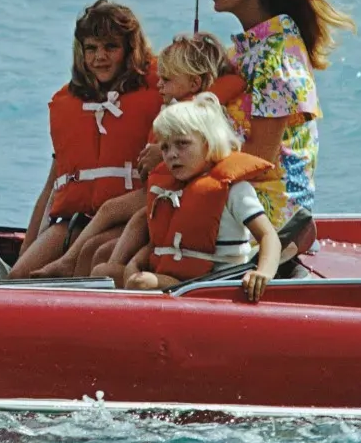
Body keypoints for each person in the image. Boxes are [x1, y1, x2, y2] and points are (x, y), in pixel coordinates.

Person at [41, 32, 242, 278]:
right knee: (111, 213)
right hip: (159, 188)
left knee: (112, 221)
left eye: (166, 80)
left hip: (174, 192)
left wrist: (162, 153)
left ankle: (95, 268)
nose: (159, 85)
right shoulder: (177, 107)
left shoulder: (198, 115)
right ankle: (78, 266)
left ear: (194, 83)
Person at [203, 0, 354, 229]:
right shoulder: (246, 50)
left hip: (271, 214)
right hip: (237, 194)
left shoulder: (276, 58)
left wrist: (189, 162)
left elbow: (260, 158)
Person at [10, 0, 159, 278]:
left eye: (110, 47)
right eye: (91, 48)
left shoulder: (157, 94)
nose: (99, 57)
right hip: (75, 219)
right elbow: (53, 184)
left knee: (89, 258)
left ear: (130, 50)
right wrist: (26, 248)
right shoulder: (70, 104)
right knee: (19, 276)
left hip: (127, 216)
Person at [120, 96, 281, 301]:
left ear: (208, 143)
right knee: (103, 270)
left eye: (182, 144)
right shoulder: (169, 191)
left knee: (140, 283)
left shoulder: (234, 191)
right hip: (178, 278)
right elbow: (160, 242)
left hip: (215, 284)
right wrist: (134, 263)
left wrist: (264, 273)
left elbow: (268, 236)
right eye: (165, 147)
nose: (172, 155)